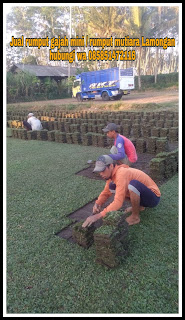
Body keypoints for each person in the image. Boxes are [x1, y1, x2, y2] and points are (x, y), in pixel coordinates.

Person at [82, 155, 161, 228]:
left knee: (133, 185)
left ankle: (135, 217)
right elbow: (106, 192)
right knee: (112, 187)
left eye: (102, 170)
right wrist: (98, 203)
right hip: (144, 197)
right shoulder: (112, 176)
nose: (101, 174)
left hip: (153, 197)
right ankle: (139, 207)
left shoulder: (121, 173)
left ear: (111, 166)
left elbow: (118, 202)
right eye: (99, 171)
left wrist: (98, 215)